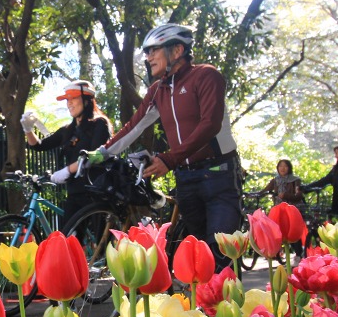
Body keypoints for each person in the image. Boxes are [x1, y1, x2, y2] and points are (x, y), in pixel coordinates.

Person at [87, 23, 243, 272]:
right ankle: (204, 309)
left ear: (178, 50)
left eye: (153, 51)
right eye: (147, 52)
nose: (148, 58)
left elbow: (210, 124)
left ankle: (231, 310)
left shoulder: (206, 75)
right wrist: (102, 153)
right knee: (202, 259)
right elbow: (134, 126)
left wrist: (170, 158)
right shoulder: (158, 90)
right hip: (186, 178)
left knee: (221, 254)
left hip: (219, 174)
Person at [21, 80, 113, 226]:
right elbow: (39, 146)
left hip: (97, 193)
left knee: (101, 244)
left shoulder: (100, 124)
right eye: (67, 99)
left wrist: (67, 170)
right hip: (74, 192)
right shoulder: (67, 130)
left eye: (73, 98)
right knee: (67, 239)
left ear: (87, 100)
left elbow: (95, 156)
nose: (69, 103)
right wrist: (28, 129)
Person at [260, 159, 305, 255]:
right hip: (279, 209)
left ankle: (298, 253)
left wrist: (285, 195)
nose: (282, 168)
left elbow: (299, 195)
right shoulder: (275, 180)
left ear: (289, 168)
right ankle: (277, 251)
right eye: (280, 166)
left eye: (285, 166)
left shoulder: (295, 180)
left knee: (292, 231)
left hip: (291, 210)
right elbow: (265, 190)